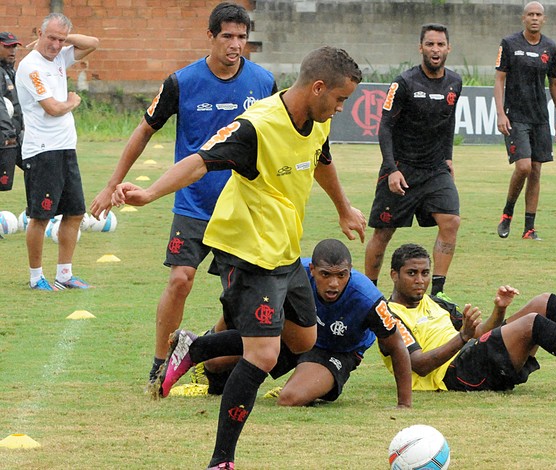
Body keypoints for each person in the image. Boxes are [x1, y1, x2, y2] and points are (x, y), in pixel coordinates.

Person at [112, 46, 365, 470]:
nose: (342, 108)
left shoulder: (317, 121)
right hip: (246, 251)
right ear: (318, 88)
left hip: (284, 249)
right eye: (340, 99)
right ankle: (221, 460)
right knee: (263, 354)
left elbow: (320, 160)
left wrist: (342, 207)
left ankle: (194, 348)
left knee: (303, 341)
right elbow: (199, 161)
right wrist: (150, 193)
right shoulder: (257, 126)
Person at [90, 2, 277, 383]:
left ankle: (211, 357)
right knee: (180, 280)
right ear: (210, 36)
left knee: (238, 295)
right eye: (227, 36)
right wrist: (113, 183)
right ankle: (160, 363)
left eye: (242, 37)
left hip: (242, 207)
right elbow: (145, 129)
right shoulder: (181, 82)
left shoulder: (264, 82)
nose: (235, 44)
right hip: (193, 203)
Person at [154, 239, 412, 408]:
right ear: (312, 270)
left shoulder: (367, 298)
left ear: (350, 272)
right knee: (215, 363)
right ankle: (200, 346)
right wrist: (219, 333)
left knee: (289, 399)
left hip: (337, 351)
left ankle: (200, 346)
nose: (334, 284)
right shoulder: (294, 274)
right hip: (292, 339)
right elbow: (246, 303)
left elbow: (396, 346)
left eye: (341, 276)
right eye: (325, 275)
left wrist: (404, 405)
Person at [380, 243, 556, 392]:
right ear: (394, 275)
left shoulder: (435, 302)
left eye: (424, 273)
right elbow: (419, 365)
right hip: (452, 374)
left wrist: (499, 310)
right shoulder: (389, 316)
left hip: (472, 352)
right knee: (531, 323)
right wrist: (463, 337)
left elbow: (481, 334)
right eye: (411, 273)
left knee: (544, 302)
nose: (420, 280)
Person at [365, 23, 462, 298]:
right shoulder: (404, 82)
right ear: (421, 48)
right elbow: (385, 127)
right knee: (383, 233)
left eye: (440, 44)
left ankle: (438, 294)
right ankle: (370, 294)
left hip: (435, 170)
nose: (435, 49)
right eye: (430, 44)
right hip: (402, 169)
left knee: (451, 221)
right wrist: (392, 169)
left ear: (448, 48)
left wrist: (448, 157)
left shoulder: (455, 82)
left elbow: (449, 121)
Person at [15, 13, 99, 291]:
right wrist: (72, 101)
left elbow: (93, 42)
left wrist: (66, 39)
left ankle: (64, 274)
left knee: (75, 213)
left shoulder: (60, 57)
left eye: (60, 39)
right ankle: (35, 276)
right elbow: (52, 107)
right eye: (50, 37)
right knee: (40, 216)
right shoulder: (30, 67)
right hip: (42, 151)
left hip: (65, 148)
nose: (55, 44)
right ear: (38, 34)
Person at [495, 1, 556, 240]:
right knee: (523, 167)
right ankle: (507, 213)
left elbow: (554, 83)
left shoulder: (550, 47)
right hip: (516, 115)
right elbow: (499, 80)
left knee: (536, 170)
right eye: (530, 14)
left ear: (544, 19)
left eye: (539, 15)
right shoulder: (509, 44)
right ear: (523, 18)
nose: (534, 18)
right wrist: (500, 113)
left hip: (540, 118)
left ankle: (529, 228)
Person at [0, 31, 23, 193]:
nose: (12, 50)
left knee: (36, 169)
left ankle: (39, 213)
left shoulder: (11, 71)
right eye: (8, 46)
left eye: (14, 46)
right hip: (6, 138)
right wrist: (8, 134)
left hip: (16, 136)